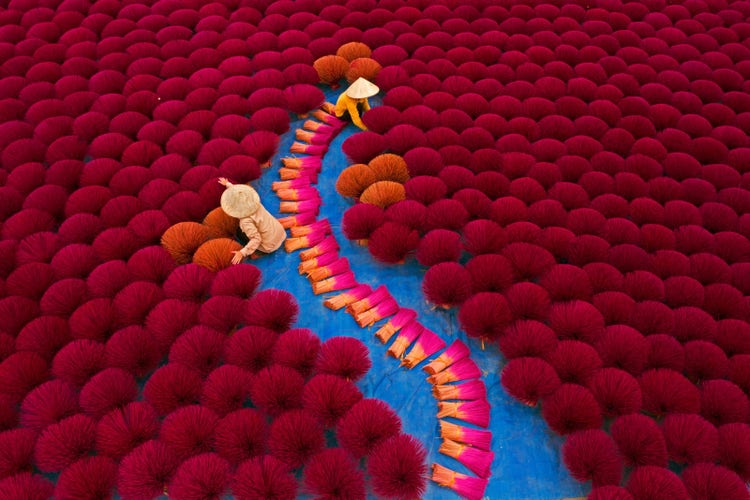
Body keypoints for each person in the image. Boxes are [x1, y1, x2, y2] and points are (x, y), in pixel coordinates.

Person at [218, 177, 286, 264]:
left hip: (269, 246)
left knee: (240, 233)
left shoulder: (245, 221)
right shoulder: (254, 203)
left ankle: (259, 253)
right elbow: (240, 195)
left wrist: (242, 253)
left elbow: (256, 239)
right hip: (280, 232)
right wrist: (228, 184)